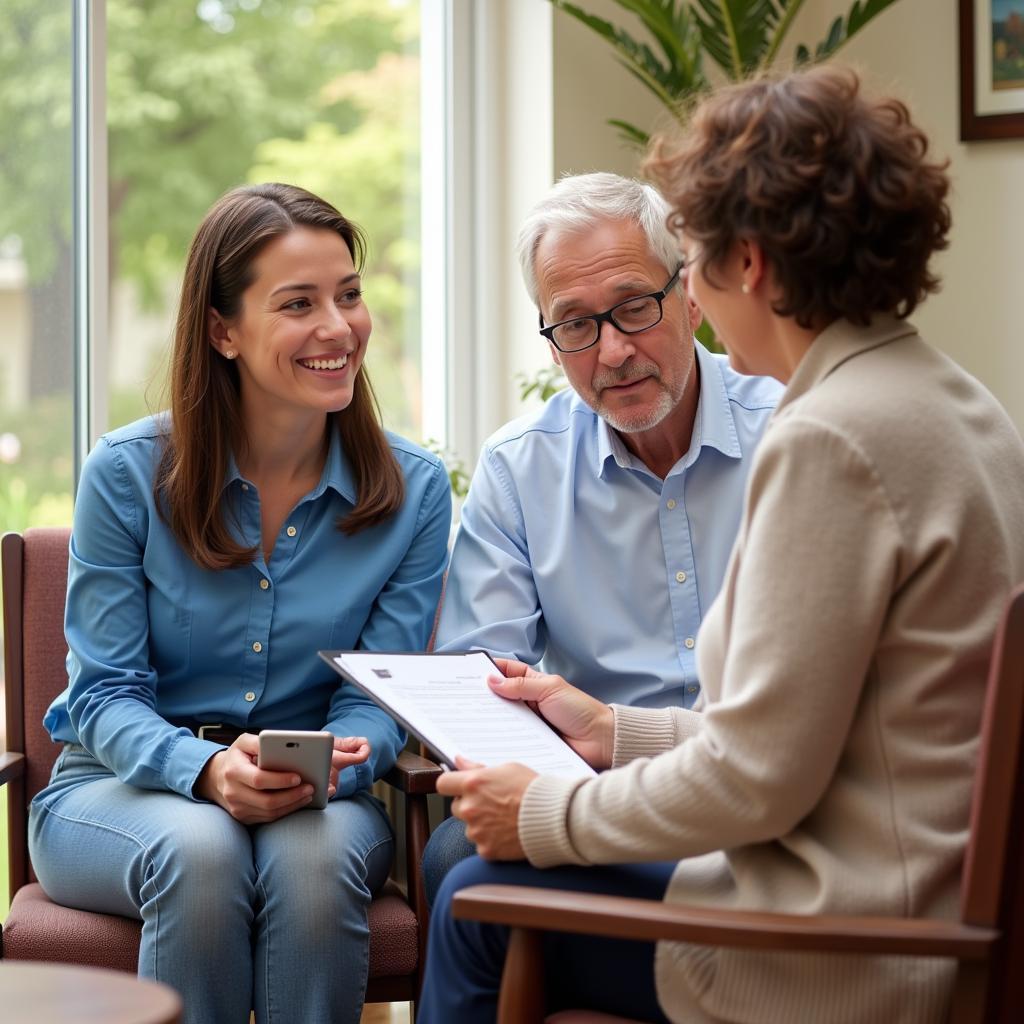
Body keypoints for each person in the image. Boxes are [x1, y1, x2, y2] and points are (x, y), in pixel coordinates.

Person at [418, 66, 1024, 1024]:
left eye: (689, 262)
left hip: (850, 940)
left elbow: (756, 777)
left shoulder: (828, 437)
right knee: (477, 880)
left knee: (471, 902)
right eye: (577, 324)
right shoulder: (953, 401)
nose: (686, 285)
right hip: (913, 891)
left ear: (749, 265)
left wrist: (542, 813)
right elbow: (808, 732)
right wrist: (616, 732)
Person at [28, 183, 451, 1024]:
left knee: (309, 861)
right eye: (298, 303)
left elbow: (376, 696)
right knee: (203, 848)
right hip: (117, 789)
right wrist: (207, 771)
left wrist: (338, 758)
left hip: (314, 794)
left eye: (349, 294)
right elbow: (105, 692)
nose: (339, 327)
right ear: (223, 330)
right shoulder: (125, 475)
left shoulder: (414, 491)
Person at [423, 172, 782, 901]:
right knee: (458, 857)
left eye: (632, 308)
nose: (613, 352)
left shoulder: (795, 432)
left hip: (764, 786)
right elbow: (483, 688)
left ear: (689, 298)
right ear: (552, 347)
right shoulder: (521, 468)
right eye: (577, 325)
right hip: (591, 787)